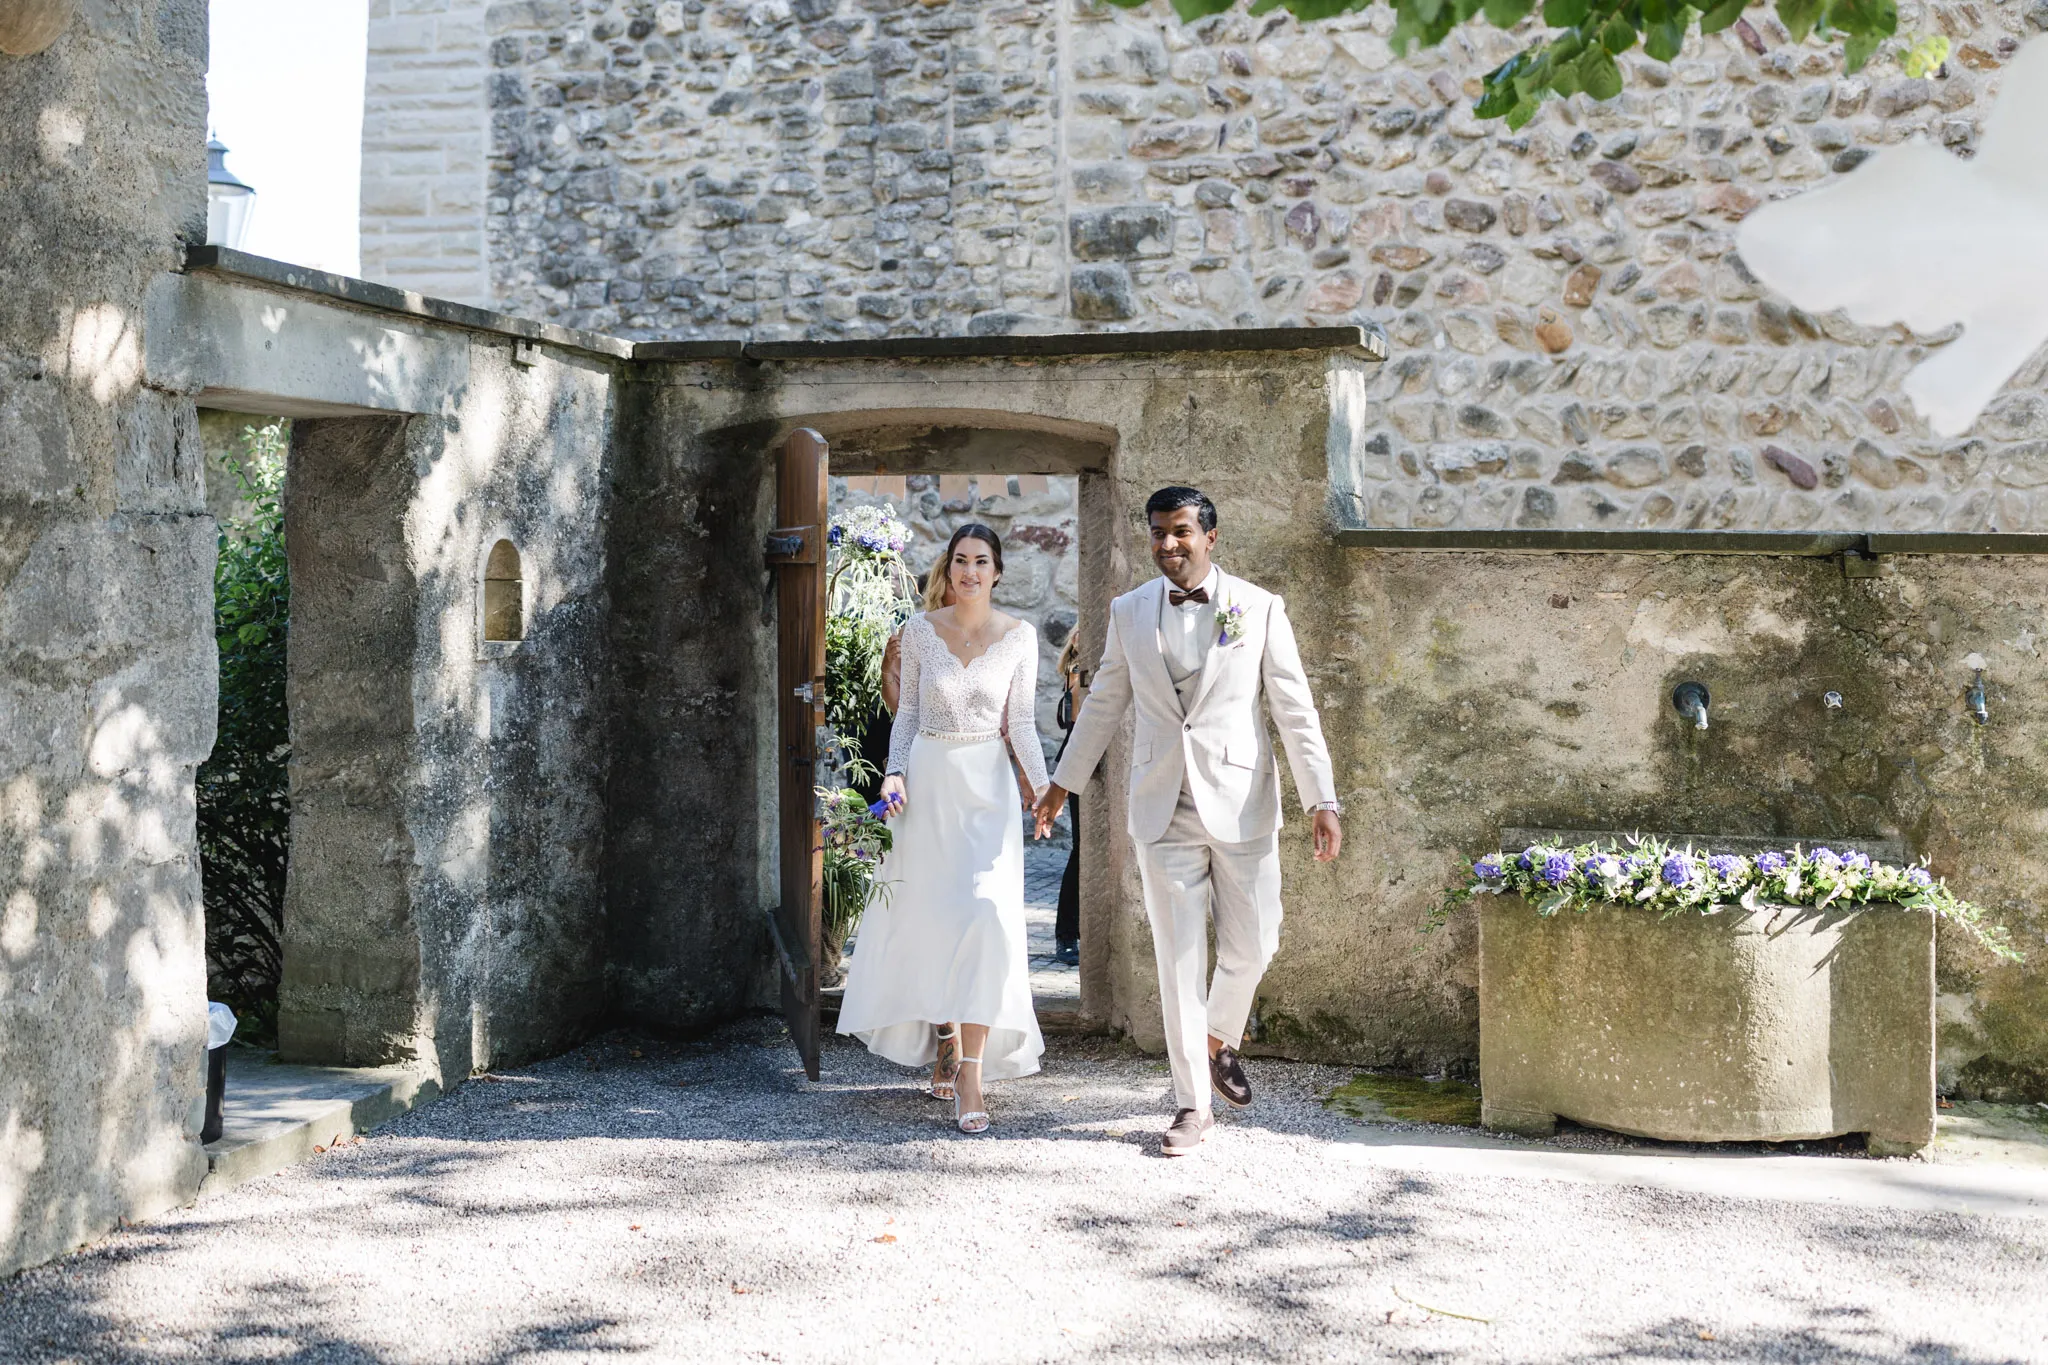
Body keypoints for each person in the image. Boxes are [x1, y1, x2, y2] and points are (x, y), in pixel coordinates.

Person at [1033, 486, 1341, 1157]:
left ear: (1210, 537)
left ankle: (1215, 1035)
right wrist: (1061, 785)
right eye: (1157, 533)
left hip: (1242, 802)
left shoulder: (1259, 607)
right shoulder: (1129, 610)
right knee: (1178, 960)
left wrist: (1323, 799)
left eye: (1180, 531)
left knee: (1257, 942)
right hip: (1162, 804)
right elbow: (1104, 701)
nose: (1168, 544)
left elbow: (1294, 709)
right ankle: (1192, 1105)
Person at [838, 523, 1050, 1134]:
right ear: (949, 568)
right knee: (934, 920)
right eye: (961, 560)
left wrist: (1043, 789)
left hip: (987, 788)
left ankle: (972, 1074)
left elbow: (1022, 723)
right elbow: (905, 714)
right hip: (928, 784)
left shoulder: (1020, 636)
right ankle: (947, 1042)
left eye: (981, 561)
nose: (970, 571)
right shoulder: (919, 632)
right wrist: (893, 772)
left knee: (984, 914)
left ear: (997, 571)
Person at [1051, 628, 1085, 966]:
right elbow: (1078, 720)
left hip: (1086, 761)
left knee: (1082, 850)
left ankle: (1073, 931)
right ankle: (1066, 934)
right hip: (1079, 762)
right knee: (1081, 849)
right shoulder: (1077, 673)